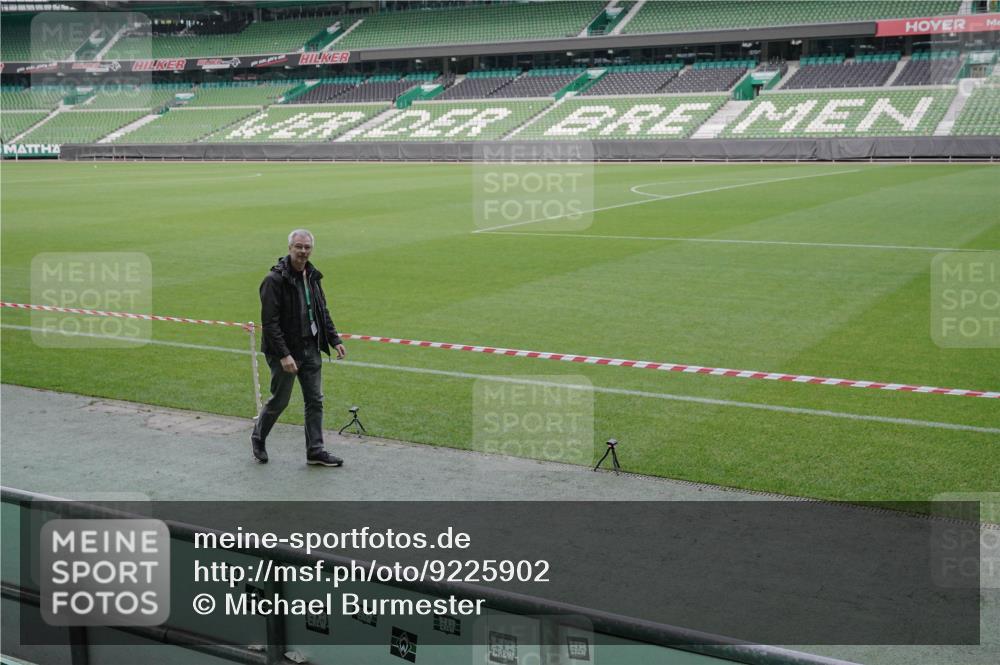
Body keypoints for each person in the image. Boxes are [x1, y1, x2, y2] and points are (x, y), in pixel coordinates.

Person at [250, 229, 346, 466]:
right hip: (285, 350)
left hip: (310, 347)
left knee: (315, 400)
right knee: (280, 400)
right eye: (298, 247)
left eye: (307, 247)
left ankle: (315, 449)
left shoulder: (312, 276)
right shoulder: (273, 281)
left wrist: (335, 339)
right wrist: (284, 355)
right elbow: (270, 323)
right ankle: (258, 437)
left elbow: (322, 310)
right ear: (290, 248)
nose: (303, 251)